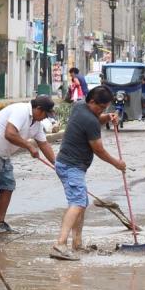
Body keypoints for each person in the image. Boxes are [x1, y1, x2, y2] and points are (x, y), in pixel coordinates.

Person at [50, 86, 124, 261]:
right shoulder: (90, 120)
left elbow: (95, 118)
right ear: (92, 102)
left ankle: (77, 244)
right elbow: (99, 150)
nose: (102, 111)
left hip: (67, 163)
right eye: (101, 108)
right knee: (77, 203)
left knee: (81, 202)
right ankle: (59, 244)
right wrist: (117, 163)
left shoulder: (79, 106)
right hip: (71, 166)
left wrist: (106, 117)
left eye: (105, 109)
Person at [0, 95, 56, 224]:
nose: (46, 118)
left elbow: (44, 144)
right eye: (46, 114)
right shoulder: (21, 111)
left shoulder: (37, 125)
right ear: (38, 109)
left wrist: (57, 165)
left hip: (4, 154)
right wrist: (29, 146)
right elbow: (10, 133)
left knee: (8, 186)